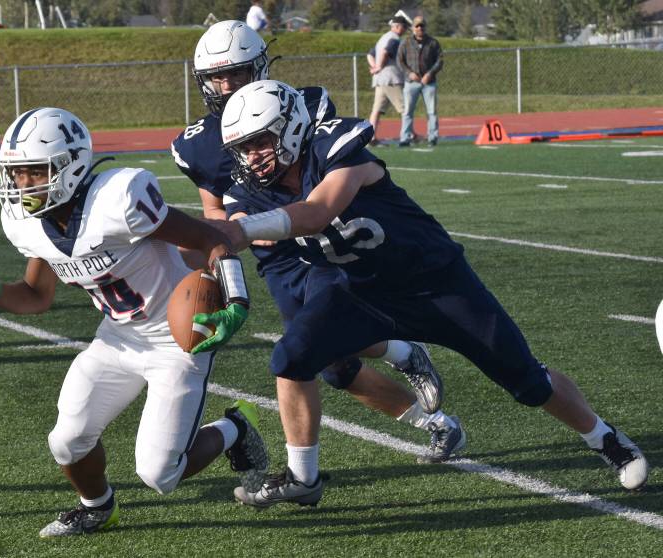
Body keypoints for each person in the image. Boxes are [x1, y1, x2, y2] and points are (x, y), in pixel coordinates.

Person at [215, 79, 650, 492]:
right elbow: (224, 234)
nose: (252, 158)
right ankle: (302, 478)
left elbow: (318, 211)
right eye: (243, 149)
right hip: (354, 288)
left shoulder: (336, 147)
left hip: (432, 280)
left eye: (259, 142)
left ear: (291, 127)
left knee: (526, 381)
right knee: (292, 357)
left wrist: (245, 230)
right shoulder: (250, 193)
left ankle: (604, 437)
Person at [172, 20, 462, 508]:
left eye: (237, 73)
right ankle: (432, 415)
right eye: (217, 77)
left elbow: (327, 177)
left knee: (303, 350)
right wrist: (225, 280)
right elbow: (215, 216)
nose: (227, 86)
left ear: (260, 66)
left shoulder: (303, 104)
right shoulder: (196, 143)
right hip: (272, 260)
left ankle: (306, 474)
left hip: (320, 242)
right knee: (330, 366)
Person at [0, 107, 267, 536]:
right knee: (66, 441)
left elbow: (210, 239)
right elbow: (36, 297)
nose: (23, 184)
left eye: (33, 172)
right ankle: (98, 508)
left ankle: (235, 427)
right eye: (18, 173)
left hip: (175, 339)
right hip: (117, 338)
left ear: (71, 166)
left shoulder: (119, 199)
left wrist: (237, 300)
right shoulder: (28, 225)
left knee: (160, 474)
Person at [397, 15, 443, 147]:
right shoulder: (405, 43)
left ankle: (432, 137)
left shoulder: (433, 43)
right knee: (407, 112)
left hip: (429, 82)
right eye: (417, 26)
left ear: (425, 27)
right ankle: (405, 138)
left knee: (432, 111)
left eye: (422, 26)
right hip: (411, 83)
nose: (419, 28)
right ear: (412, 28)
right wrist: (409, 73)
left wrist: (430, 73)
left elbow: (440, 60)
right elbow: (399, 61)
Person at [368, 15, 408, 146]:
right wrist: (379, 66)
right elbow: (386, 52)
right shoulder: (394, 38)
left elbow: (370, 54)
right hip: (391, 78)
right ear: (397, 26)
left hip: (379, 79)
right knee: (405, 109)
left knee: (377, 110)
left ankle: (371, 138)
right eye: (404, 27)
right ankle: (408, 135)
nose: (405, 29)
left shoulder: (383, 37)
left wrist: (375, 67)